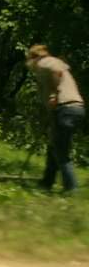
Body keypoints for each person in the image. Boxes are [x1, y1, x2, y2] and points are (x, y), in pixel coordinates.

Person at [26, 44, 85, 193]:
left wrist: (53, 95)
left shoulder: (45, 62)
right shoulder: (53, 62)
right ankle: (47, 182)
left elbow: (56, 72)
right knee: (54, 146)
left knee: (61, 151)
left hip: (65, 108)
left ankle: (72, 188)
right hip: (75, 109)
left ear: (33, 56)